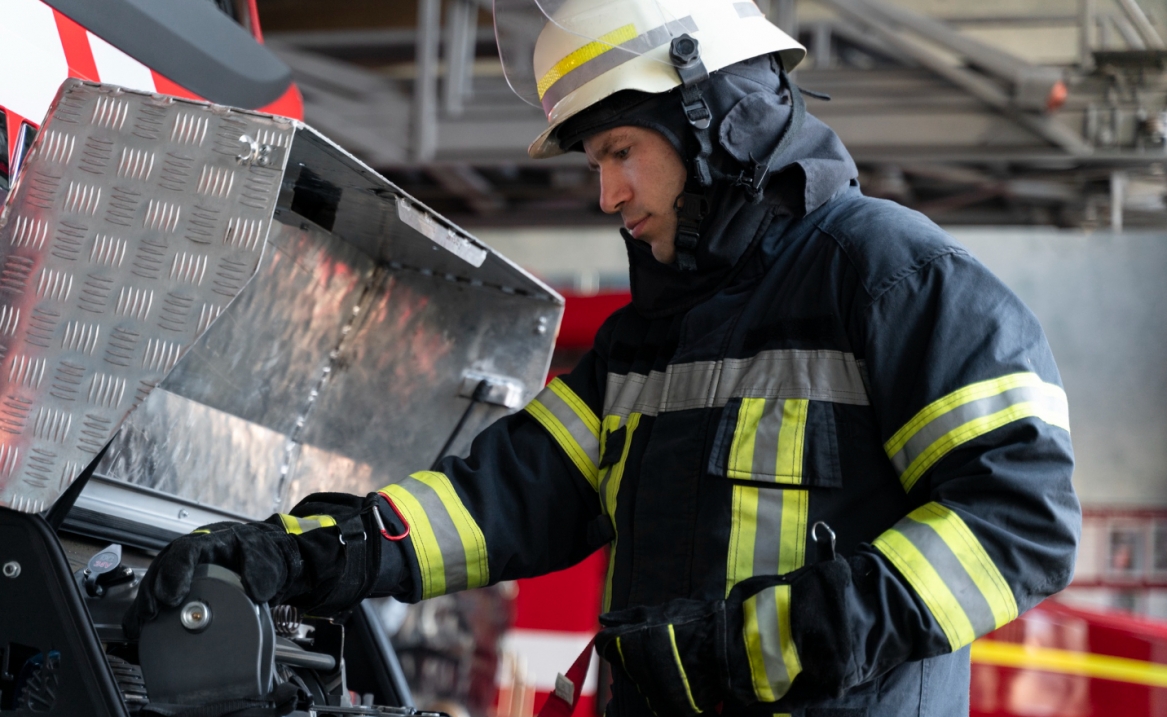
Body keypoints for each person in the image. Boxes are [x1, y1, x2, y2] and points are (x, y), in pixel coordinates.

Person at [126, 0, 1080, 714]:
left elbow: (1019, 516)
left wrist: (758, 646)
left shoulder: (889, 277)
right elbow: (499, 495)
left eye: (621, 150)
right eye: (594, 163)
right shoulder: (648, 340)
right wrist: (301, 553)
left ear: (714, 120)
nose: (608, 192)